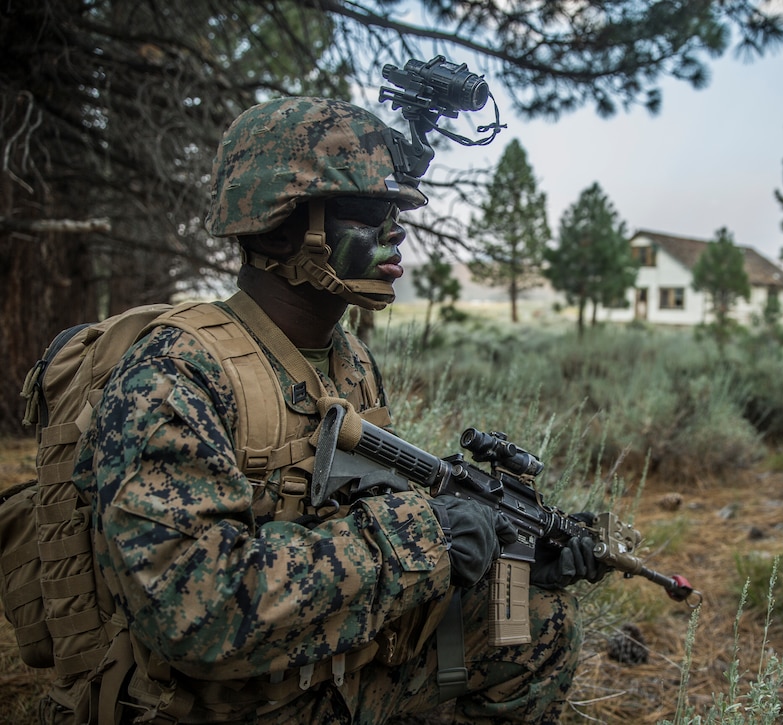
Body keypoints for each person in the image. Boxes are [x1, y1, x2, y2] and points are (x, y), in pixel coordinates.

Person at [71, 97, 602, 724]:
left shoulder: (348, 361)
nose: (396, 231)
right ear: (277, 226)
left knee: (532, 626)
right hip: (213, 701)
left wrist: (506, 553)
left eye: (395, 213)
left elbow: (354, 518)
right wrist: (425, 536)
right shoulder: (176, 370)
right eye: (365, 212)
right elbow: (191, 609)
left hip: (329, 668)